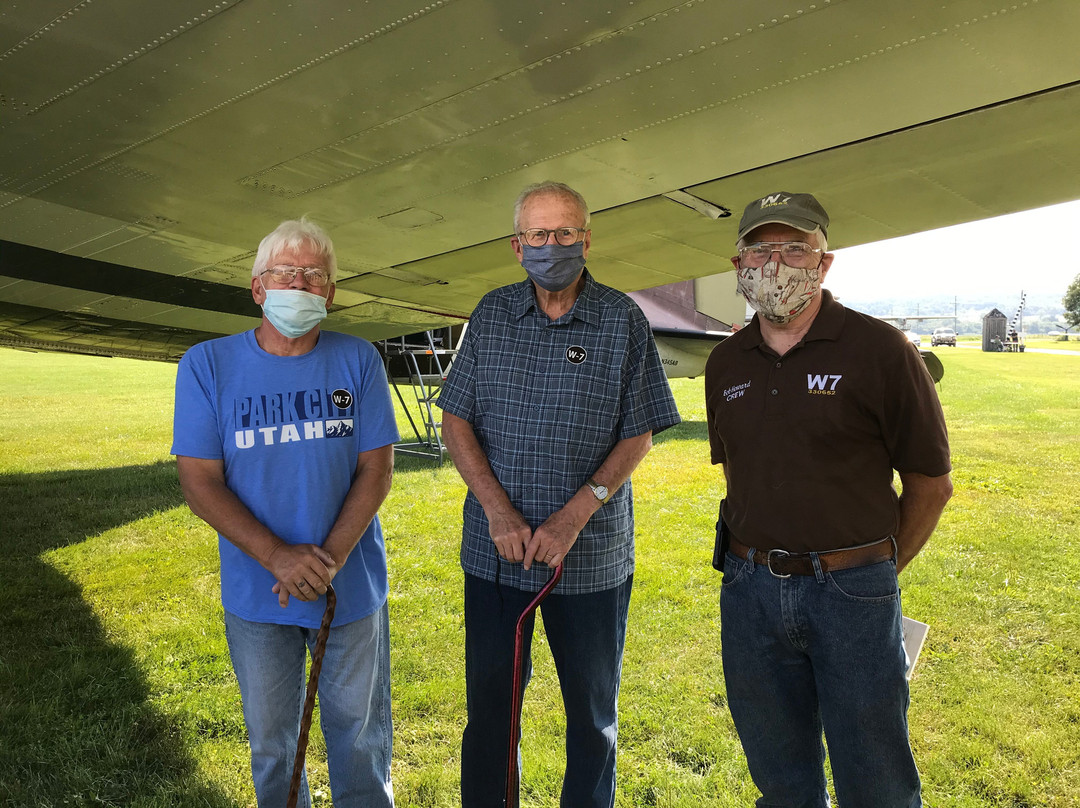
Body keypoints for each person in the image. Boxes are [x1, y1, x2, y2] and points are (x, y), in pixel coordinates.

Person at [704, 192, 953, 808]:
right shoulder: (725, 361)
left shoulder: (881, 351)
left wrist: (873, 571)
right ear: (738, 263)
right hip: (750, 591)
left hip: (852, 593)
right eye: (761, 250)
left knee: (877, 781)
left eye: (795, 248)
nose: (776, 264)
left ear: (825, 261)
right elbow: (746, 471)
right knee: (781, 780)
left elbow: (930, 484)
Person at [437, 181, 680, 808]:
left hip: (591, 561)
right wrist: (497, 512)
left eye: (565, 233)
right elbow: (455, 421)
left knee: (593, 720)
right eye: (539, 236)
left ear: (586, 238)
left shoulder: (622, 318)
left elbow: (639, 432)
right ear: (518, 247)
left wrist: (574, 517)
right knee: (491, 716)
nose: (553, 246)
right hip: (498, 556)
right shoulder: (491, 314)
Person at [171, 218, 398, 808]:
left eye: (314, 276)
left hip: (348, 591)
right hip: (257, 593)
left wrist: (327, 562)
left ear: (330, 293)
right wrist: (277, 556)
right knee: (274, 745)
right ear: (257, 287)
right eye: (285, 273)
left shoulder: (359, 359)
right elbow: (198, 480)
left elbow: (376, 470)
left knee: (360, 744)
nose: (300, 285)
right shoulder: (207, 365)